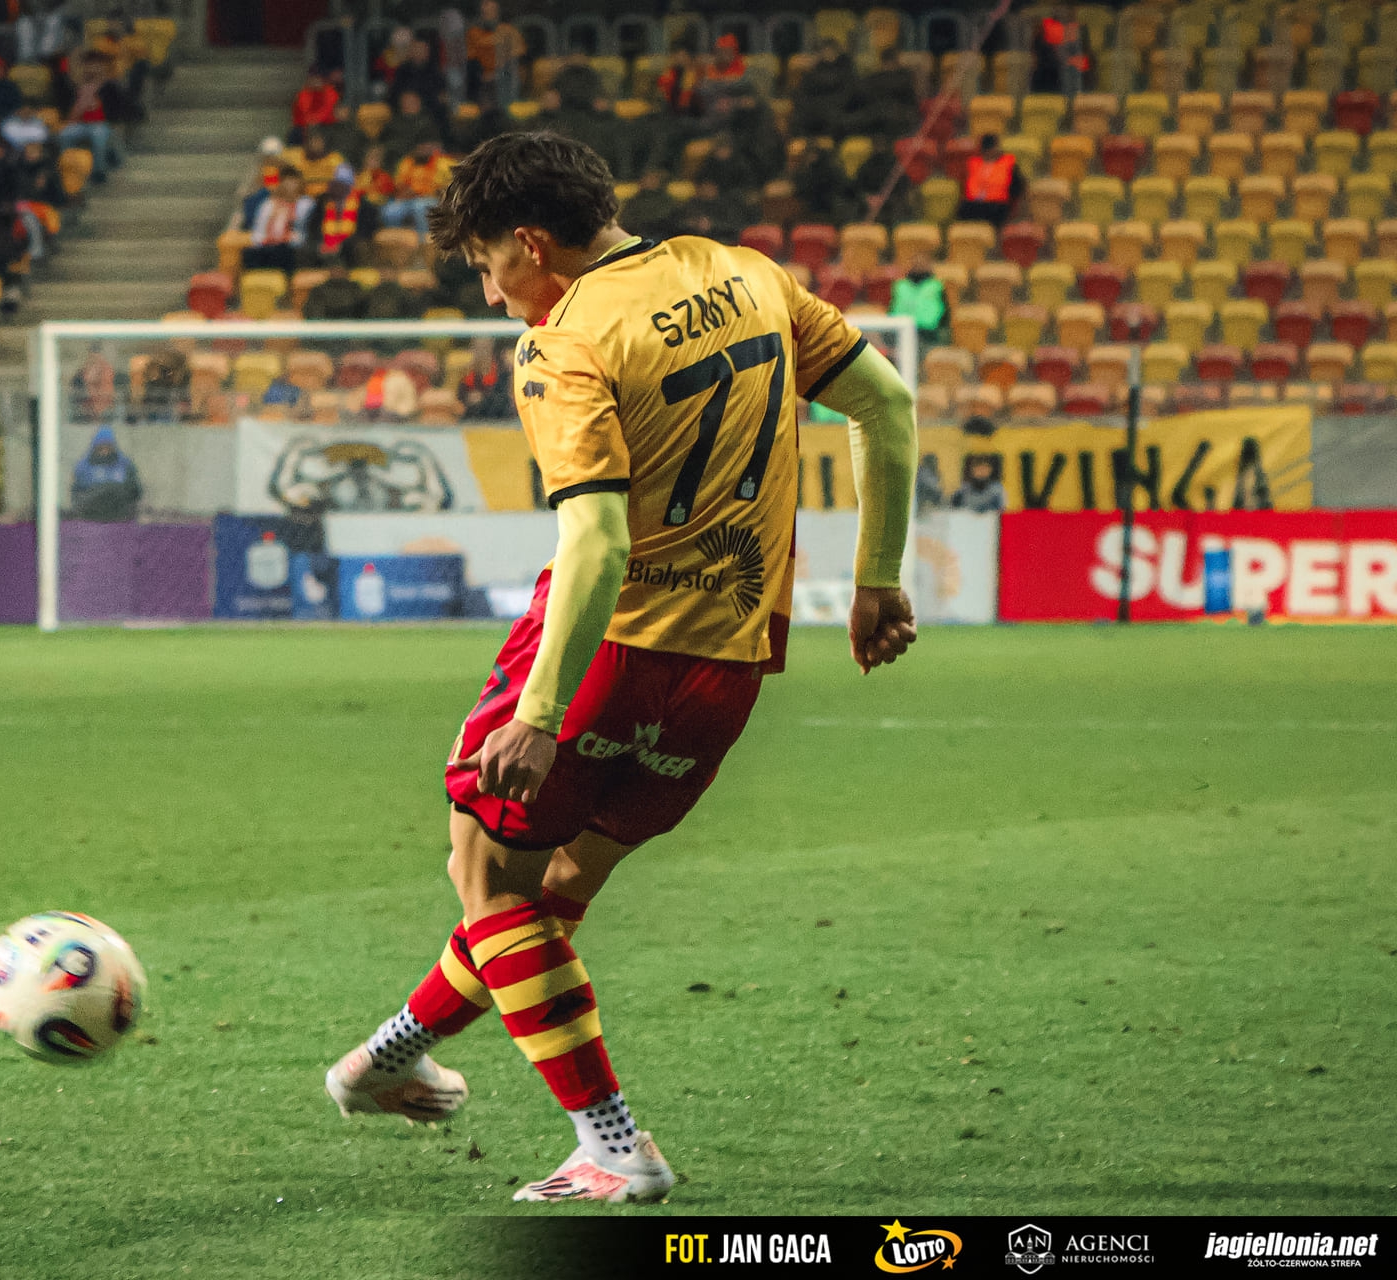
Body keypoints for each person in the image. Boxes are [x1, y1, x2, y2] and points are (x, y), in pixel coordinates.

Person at [323, 132, 918, 1202]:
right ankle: (386, 1058)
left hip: (608, 643)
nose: (493, 294)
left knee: (488, 882)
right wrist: (876, 577)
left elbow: (595, 538)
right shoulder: (748, 273)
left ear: (530, 243)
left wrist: (541, 712)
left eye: (487, 267)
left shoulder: (565, 340)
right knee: (549, 899)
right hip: (730, 661)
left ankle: (611, 1143)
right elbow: (889, 404)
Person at [70, 427, 143, 520]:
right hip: (92, 513)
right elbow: (77, 494)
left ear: (113, 447)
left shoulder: (125, 465)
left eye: (108, 447)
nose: (104, 451)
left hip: (119, 513)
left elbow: (135, 491)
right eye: (101, 448)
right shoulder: (83, 466)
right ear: (94, 447)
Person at [961, 133, 1022, 230]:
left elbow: (1017, 187)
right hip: (974, 205)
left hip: (997, 205)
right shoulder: (974, 164)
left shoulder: (1008, 164)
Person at [890, 251, 948, 348]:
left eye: (922, 263)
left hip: (929, 333)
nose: (919, 265)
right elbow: (891, 308)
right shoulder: (900, 285)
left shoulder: (937, 285)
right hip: (900, 332)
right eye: (916, 263)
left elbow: (945, 312)